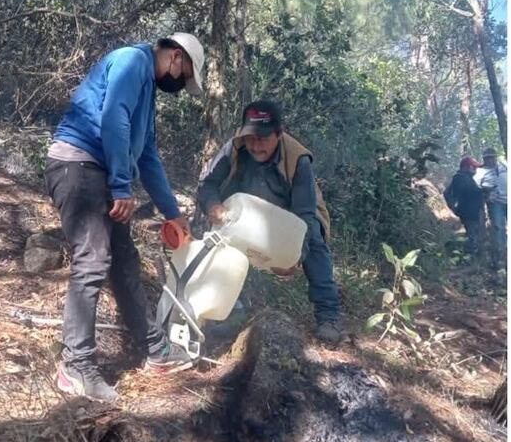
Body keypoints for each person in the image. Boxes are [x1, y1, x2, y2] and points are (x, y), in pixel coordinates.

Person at [45, 32, 205, 402]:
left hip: (99, 172)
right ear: (176, 57)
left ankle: (156, 349)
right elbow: (113, 117)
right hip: (78, 166)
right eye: (183, 77)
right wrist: (120, 186)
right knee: (93, 259)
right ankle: (75, 365)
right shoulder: (133, 62)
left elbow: (146, 154)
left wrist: (173, 212)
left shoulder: (147, 91)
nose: (179, 84)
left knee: (125, 263)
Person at [197, 100, 343, 343]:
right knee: (217, 237)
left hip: (291, 214)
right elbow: (207, 183)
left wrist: (294, 257)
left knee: (315, 239)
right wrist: (213, 205)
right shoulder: (234, 147)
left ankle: (328, 316)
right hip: (247, 212)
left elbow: (304, 216)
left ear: (279, 134)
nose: (255, 145)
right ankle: (231, 308)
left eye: (263, 138)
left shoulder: (298, 159)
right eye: (251, 138)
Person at [443, 157, 486, 256]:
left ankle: (473, 257)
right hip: (469, 212)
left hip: (473, 211)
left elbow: (446, 192)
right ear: (466, 167)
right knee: (472, 236)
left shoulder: (467, 177)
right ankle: (471, 258)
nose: (475, 170)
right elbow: (468, 191)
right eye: (473, 167)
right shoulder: (460, 177)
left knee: (476, 235)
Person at [475, 147, 507, 247]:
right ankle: (501, 251)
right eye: (487, 158)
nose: (489, 160)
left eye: (491, 157)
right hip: (495, 202)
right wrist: (486, 195)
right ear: (484, 159)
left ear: (496, 157)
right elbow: (476, 188)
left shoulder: (505, 165)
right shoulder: (480, 171)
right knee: (498, 227)